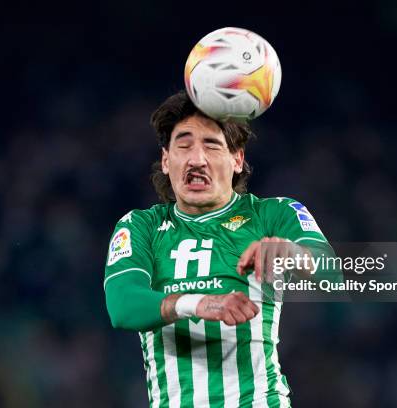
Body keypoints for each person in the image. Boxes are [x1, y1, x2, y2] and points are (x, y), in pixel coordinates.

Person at [104, 91, 338, 408]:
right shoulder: (140, 226)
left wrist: (291, 252)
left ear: (237, 159)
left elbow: (330, 269)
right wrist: (197, 303)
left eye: (212, 145)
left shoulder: (273, 214)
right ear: (165, 160)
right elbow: (122, 304)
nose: (196, 159)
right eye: (183, 145)